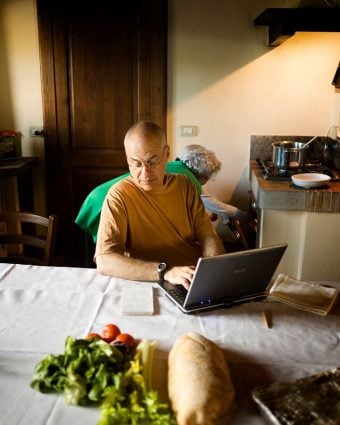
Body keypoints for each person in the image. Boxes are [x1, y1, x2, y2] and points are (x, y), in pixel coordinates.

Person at [94, 121, 225, 288]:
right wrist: (165, 272)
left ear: (167, 153)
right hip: (149, 281)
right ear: (127, 160)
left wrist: (213, 267)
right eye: (136, 163)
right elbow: (105, 260)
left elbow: (208, 235)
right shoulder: (119, 196)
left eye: (152, 162)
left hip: (191, 279)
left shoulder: (184, 185)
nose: (145, 173)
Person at [177, 144, 249, 222]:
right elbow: (217, 206)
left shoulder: (177, 166)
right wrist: (247, 217)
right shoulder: (191, 182)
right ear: (204, 176)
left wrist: (207, 216)